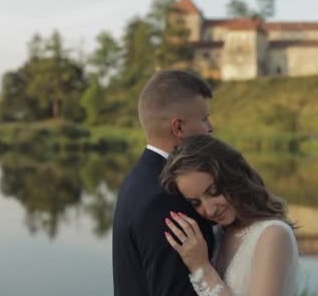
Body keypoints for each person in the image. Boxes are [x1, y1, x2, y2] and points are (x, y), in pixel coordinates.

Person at [112, 70, 216, 296]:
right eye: (204, 118)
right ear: (178, 127)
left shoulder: (137, 179)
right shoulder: (165, 197)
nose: (210, 128)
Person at [160, 134, 300, 296]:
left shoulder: (273, 234)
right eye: (195, 203)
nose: (210, 210)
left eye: (214, 192)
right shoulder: (217, 233)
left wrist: (201, 268)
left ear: (233, 175)